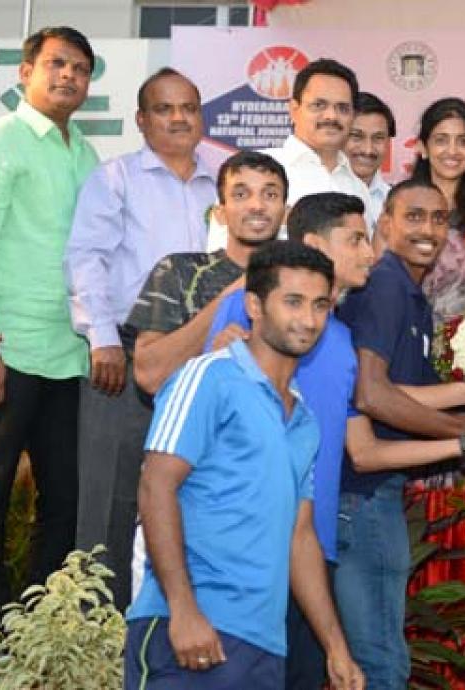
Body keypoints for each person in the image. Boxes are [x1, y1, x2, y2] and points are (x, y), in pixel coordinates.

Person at [125, 241, 364, 690]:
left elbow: (301, 537)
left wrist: (335, 647)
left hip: (263, 646)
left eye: (319, 305)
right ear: (254, 305)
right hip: (190, 632)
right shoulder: (209, 377)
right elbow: (156, 487)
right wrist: (183, 609)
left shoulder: (304, 419)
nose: (309, 319)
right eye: (292, 302)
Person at [334, 178, 465, 688]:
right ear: (385, 224)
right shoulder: (386, 284)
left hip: (376, 495)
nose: (428, 229)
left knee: (378, 653)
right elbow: (370, 395)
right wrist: (463, 437)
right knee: (380, 663)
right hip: (362, 494)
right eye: (414, 216)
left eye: (439, 219)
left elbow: (397, 392)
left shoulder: (407, 291)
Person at [0, 26, 99, 682]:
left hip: (65, 354)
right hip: (2, 351)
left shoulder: (84, 153)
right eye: (56, 64)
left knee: (66, 501)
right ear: (25, 72)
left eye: (79, 68)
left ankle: (34, 633)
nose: (68, 76)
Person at [64, 66, 217, 607]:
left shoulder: (224, 182)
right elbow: (86, 260)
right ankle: (96, 644)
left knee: (199, 496)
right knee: (108, 502)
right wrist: (101, 338)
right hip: (124, 357)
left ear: (202, 116)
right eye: (164, 108)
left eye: (188, 107)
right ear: (141, 119)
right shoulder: (116, 179)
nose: (178, 118)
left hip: (207, 360)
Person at [128, 151, 284, 398]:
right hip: (200, 429)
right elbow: (150, 376)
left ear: (284, 212)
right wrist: (236, 291)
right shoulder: (179, 272)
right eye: (241, 194)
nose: (257, 205)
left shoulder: (300, 281)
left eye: (270, 194)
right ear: (220, 213)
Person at [413, 97, 465, 324]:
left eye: (462, 141)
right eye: (441, 140)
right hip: (414, 340)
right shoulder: (403, 208)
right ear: (422, 147)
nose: (452, 151)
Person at [264, 58, 370, 210]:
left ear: (353, 116)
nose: (331, 116)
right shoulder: (260, 169)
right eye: (319, 105)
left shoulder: (358, 188)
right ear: (294, 110)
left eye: (342, 108)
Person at [345, 92, 395, 227]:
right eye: (356, 136)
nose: (368, 149)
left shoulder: (396, 200)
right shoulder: (319, 191)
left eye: (378, 138)